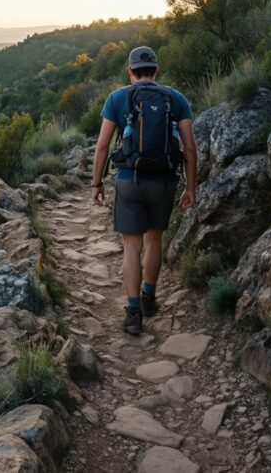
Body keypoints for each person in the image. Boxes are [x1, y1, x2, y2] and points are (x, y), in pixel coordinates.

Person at [90, 46, 197, 335]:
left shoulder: (117, 98)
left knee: (132, 245)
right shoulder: (176, 99)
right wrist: (190, 187)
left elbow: (101, 146)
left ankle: (134, 312)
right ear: (156, 70)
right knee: (154, 241)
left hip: (129, 180)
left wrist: (97, 182)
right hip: (164, 180)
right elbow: (189, 148)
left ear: (130, 70)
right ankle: (150, 298)